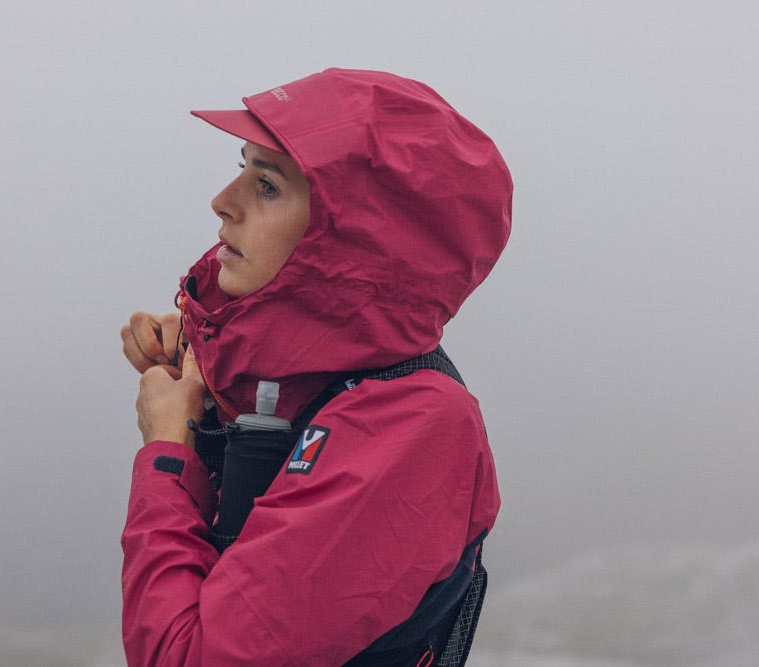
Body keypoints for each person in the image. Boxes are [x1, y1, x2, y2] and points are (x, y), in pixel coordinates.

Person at [120, 68, 512, 666]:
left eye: (267, 185)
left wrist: (168, 452)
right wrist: (208, 382)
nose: (223, 201)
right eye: (243, 166)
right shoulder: (320, 390)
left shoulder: (409, 429)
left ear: (358, 239)